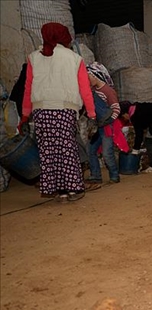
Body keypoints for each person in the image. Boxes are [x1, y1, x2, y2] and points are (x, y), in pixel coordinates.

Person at [22, 22, 96, 202]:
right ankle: (73, 190)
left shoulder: (33, 57)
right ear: (64, 36)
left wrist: (25, 113)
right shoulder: (74, 58)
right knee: (67, 149)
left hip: (41, 112)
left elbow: (28, 87)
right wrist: (92, 113)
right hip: (64, 110)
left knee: (48, 152)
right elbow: (85, 89)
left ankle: (60, 191)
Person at [85, 62, 124, 189]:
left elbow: (116, 109)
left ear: (95, 75)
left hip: (107, 126)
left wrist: (109, 121)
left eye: (88, 77)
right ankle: (95, 175)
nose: (87, 80)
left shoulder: (108, 91)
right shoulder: (93, 91)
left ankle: (114, 176)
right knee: (90, 150)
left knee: (107, 153)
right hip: (98, 126)